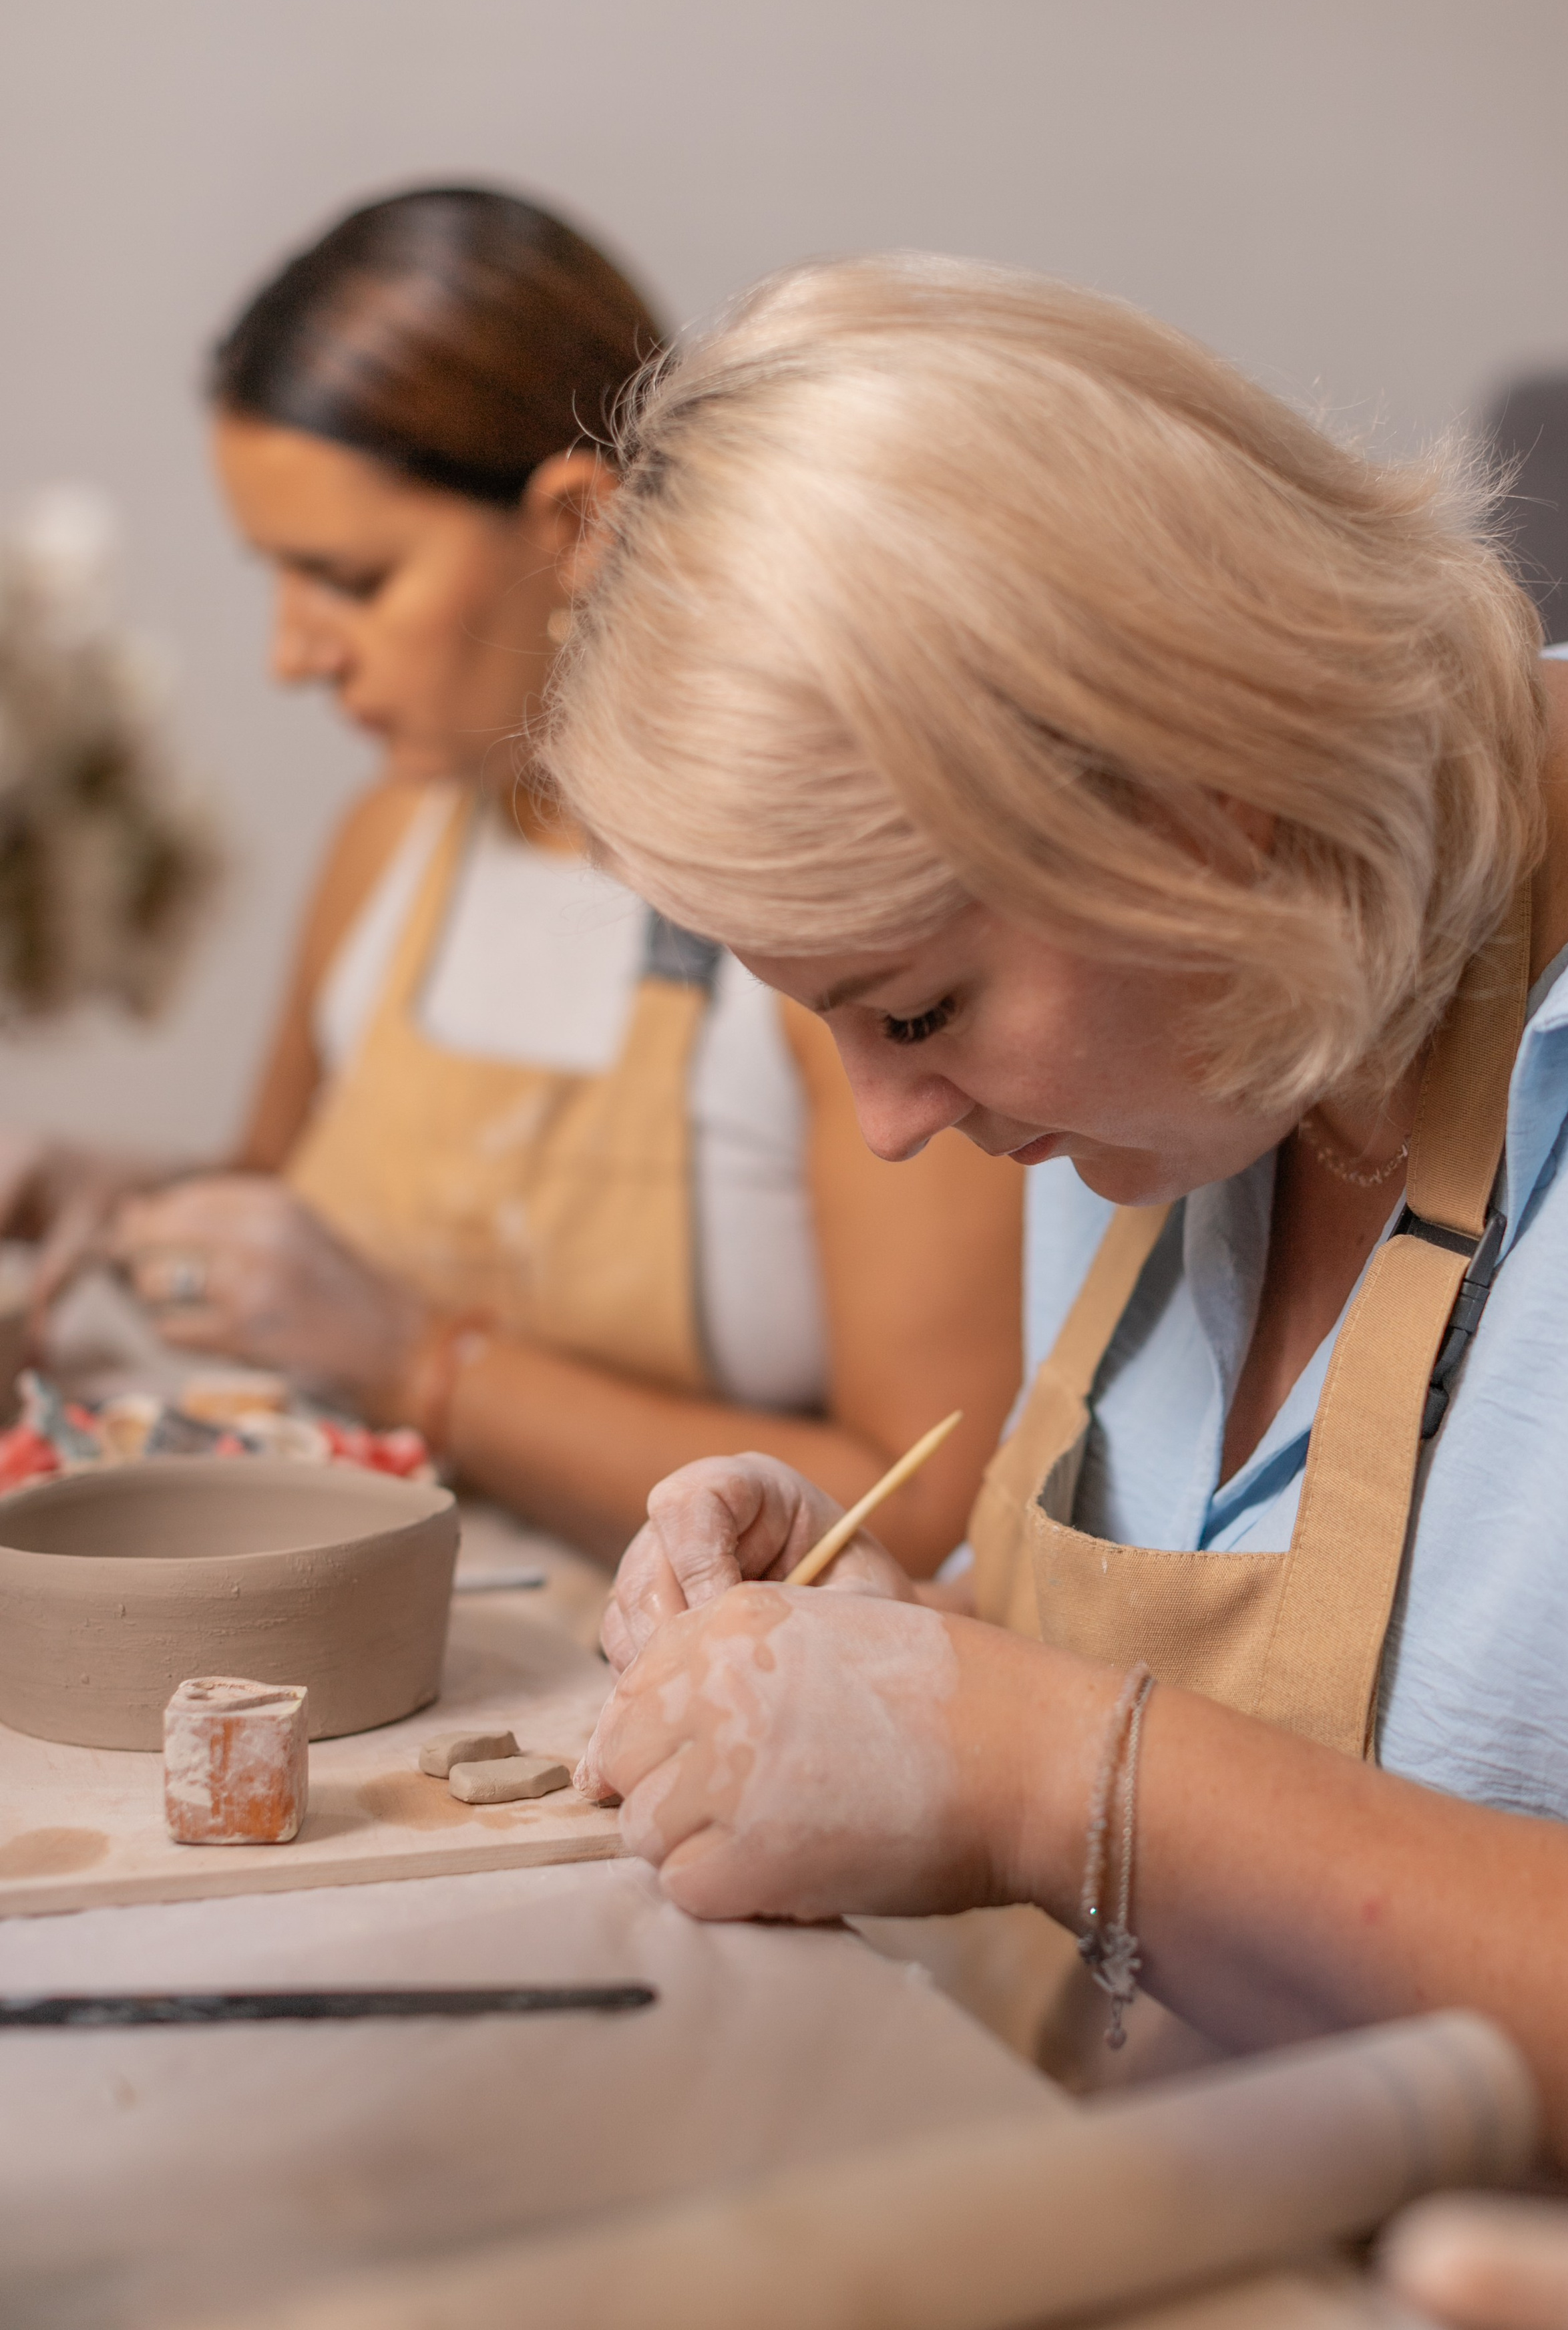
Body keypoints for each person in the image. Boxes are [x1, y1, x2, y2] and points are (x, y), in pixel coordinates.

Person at [543, 254, 1568, 2211]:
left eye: (913, 1011)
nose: (889, 1126)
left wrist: (1032, 1764)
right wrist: (891, 1658)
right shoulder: (1204, 1035)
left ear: (1211, 795)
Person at [0, 195, 1022, 1569]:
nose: (292, 656)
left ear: (573, 523)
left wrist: (428, 1367)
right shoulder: (390, 852)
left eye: (348, 579)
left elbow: (928, 1499)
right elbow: (298, 1230)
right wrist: (127, 1206)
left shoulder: (818, 899)